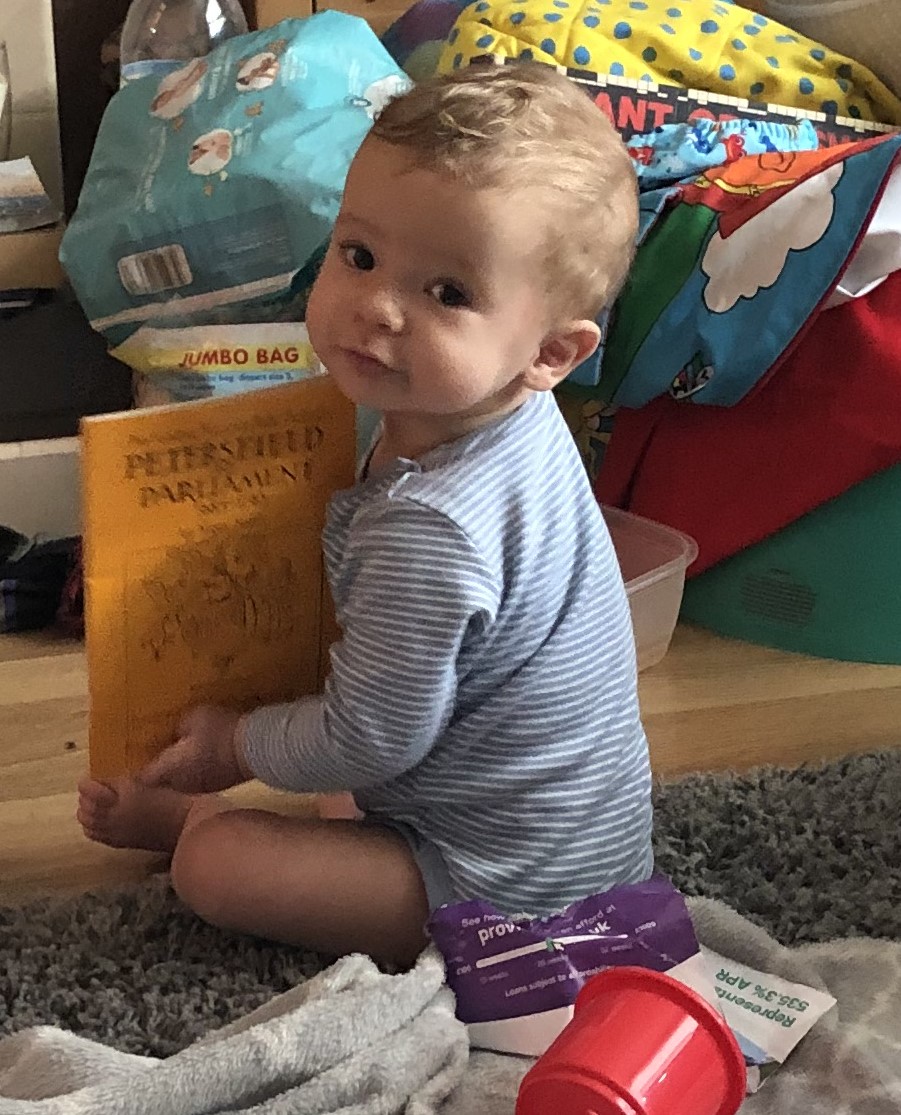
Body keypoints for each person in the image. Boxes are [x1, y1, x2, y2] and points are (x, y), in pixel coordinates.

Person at [77, 61, 652, 968]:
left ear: (550, 351)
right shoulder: (499, 411)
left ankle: (189, 819)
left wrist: (236, 744)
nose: (377, 307)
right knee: (335, 797)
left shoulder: (435, 523)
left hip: (509, 898)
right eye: (359, 255)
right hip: (548, 829)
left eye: (448, 293)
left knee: (220, 865)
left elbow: (371, 736)